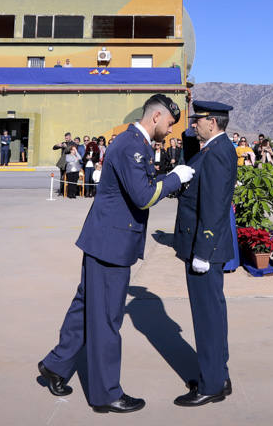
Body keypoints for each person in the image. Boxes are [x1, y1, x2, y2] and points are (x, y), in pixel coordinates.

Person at [38, 94, 195, 414]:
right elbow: (143, 195)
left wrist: (168, 178)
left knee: (85, 309)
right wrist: (176, 178)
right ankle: (105, 392)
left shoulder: (131, 142)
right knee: (106, 319)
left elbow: (140, 184)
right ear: (156, 117)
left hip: (105, 239)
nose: (169, 130)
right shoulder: (133, 145)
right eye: (169, 123)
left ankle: (57, 364)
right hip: (112, 244)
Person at [173, 100, 238, 407]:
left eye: (197, 119)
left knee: (207, 316)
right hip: (206, 247)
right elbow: (192, 157)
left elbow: (213, 206)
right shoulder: (212, 148)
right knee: (213, 313)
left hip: (205, 248)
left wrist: (202, 250)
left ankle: (211, 384)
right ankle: (217, 373)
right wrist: (190, 131)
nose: (193, 123)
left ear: (212, 123)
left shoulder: (218, 153)